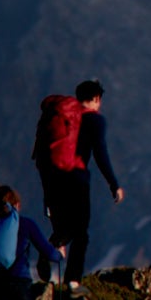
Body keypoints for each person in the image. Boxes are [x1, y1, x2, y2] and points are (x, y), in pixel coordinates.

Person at [33, 78, 124, 285]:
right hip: (76, 177)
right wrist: (114, 183)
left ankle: (49, 250)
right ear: (96, 99)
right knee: (81, 232)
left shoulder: (63, 117)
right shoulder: (94, 120)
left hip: (52, 176)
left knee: (65, 227)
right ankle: (72, 281)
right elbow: (101, 153)